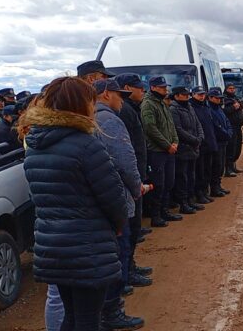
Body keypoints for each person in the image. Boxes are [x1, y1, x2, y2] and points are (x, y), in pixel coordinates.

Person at [19, 76, 127, 331]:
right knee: (89, 318)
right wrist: (120, 223)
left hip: (52, 244)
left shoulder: (35, 145)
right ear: (81, 104)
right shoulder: (86, 144)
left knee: (71, 315)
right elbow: (113, 197)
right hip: (87, 246)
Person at [92, 79, 146, 330]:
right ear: (105, 95)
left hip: (94, 203)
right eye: (118, 94)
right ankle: (112, 311)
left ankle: (105, 309)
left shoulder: (87, 117)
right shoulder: (110, 120)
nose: (121, 99)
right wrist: (137, 189)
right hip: (116, 197)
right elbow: (125, 160)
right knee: (118, 252)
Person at [114, 73, 153, 289]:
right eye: (139, 88)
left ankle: (131, 267)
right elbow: (125, 151)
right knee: (129, 228)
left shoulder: (129, 108)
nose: (143, 91)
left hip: (135, 173)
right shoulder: (124, 111)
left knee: (134, 227)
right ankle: (126, 275)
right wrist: (135, 179)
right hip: (130, 179)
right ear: (127, 88)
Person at [141, 76, 181, 227]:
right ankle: (155, 215)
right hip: (157, 151)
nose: (166, 90)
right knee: (159, 184)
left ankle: (165, 211)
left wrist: (175, 141)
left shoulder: (162, 104)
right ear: (153, 88)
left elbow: (170, 126)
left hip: (169, 150)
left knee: (169, 182)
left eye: (166, 87)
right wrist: (167, 145)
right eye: (162, 87)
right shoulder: (148, 104)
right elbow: (150, 129)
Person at [169, 86, 205, 214]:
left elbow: (197, 124)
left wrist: (200, 137)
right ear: (177, 96)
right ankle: (183, 203)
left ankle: (190, 200)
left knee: (191, 175)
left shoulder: (189, 107)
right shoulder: (173, 109)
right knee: (182, 177)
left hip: (193, 148)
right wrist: (194, 140)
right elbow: (178, 130)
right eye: (184, 95)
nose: (187, 96)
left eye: (187, 94)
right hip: (183, 149)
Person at [190, 86, 218, 203]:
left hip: (209, 143)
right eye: (199, 94)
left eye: (203, 94)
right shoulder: (192, 107)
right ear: (193, 95)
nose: (202, 96)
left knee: (207, 170)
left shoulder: (205, 106)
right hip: (200, 144)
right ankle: (199, 194)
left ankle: (205, 192)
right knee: (199, 171)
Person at [207, 87, 233, 196]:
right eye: (217, 98)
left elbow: (227, 122)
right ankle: (214, 189)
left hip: (223, 142)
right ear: (210, 98)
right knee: (216, 166)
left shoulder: (218, 109)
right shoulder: (209, 110)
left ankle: (218, 186)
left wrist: (229, 132)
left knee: (221, 165)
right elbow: (216, 127)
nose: (219, 100)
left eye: (220, 98)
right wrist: (226, 134)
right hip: (217, 142)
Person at [223, 83, 243, 176]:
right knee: (231, 148)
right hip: (231, 127)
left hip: (238, 126)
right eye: (230, 88)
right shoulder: (224, 99)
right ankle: (228, 169)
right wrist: (234, 107)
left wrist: (239, 105)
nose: (232, 90)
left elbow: (241, 105)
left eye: (233, 88)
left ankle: (233, 166)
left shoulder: (236, 98)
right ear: (226, 89)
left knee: (237, 148)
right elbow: (225, 111)